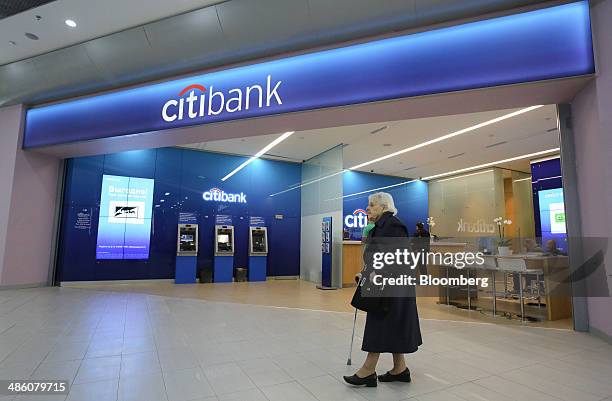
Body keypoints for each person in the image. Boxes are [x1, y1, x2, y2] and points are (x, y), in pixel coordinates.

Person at [344, 192, 422, 387]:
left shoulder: (393, 226)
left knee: (378, 323)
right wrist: (365, 272)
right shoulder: (381, 226)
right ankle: (400, 370)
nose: (368, 208)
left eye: (372, 205)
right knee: (393, 325)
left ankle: (368, 371)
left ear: (384, 207)